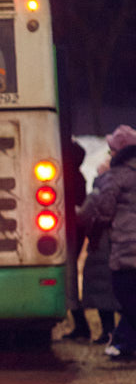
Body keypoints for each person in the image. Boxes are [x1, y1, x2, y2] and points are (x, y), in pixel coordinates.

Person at [79, 124, 136, 360]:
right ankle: (123, 342)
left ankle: (123, 343)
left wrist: (97, 186)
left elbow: (102, 210)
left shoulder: (115, 177)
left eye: (112, 149)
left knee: (126, 297)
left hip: (126, 248)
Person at [81, 159, 120, 345]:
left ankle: (108, 332)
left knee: (102, 293)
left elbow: (83, 215)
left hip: (100, 249)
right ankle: (113, 332)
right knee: (112, 292)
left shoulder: (98, 193)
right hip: (115, 245)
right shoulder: (123, 190)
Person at [62, 138, 91, 339]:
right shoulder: (79, 176)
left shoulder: (70, 177)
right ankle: (80, 324)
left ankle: (80, 325)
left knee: (70, 278)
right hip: (76, 232)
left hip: (70, 232)